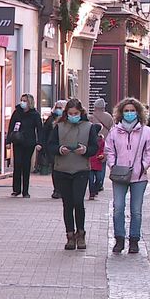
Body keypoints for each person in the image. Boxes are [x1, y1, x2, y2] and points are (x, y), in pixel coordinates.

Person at [104, 98, 150, 254]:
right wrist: (113, 165)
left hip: (139, 177)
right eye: (126, 111)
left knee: (136, 210)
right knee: (118, 208)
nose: (129, 113)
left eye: (132, 110)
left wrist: (144, 165)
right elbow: (109, 150)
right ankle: (119, 239)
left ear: (138, 112)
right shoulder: (115, 131)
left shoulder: (145, 131)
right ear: (121, 113)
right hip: (119, 175)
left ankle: (134, 240)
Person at [47, 99, 99, 250]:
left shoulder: (89, 127)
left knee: (78, 201)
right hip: (62, 169)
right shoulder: (59, 126)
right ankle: (70, 235)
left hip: (81, 169)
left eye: (76, 113)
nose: (73, 116)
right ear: (66, 114)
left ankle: (81, 234)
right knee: (67, 204)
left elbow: (94, 148)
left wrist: (85, 151)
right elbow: (50, 145)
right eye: (70, 114)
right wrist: (59, 149)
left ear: (81, 112)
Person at [6, 94, 43, 198]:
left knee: (26, 165)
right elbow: (11, 127)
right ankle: (16, 189)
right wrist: (8, 141)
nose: (22, 102)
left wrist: (39, 142)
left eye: (25, 101)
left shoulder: (35, 114)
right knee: (17, 164)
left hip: (29, 143)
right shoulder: (17, 113)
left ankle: (25, 191)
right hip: (17, 141)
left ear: (30, 102)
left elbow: (39, 129)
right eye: (22, 100)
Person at [89, 98, 114, 193]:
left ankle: (92, 182)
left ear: (95, 107)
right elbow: (112, 129)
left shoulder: (91, 117)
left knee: (93, 161)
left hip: (94, 142)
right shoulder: (108, 117)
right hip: (106, 143)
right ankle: (100, 184)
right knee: (102, 163)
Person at [44, 100, 67, 199]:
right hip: (53, 148)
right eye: (57, 107)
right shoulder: (50, 119)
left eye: (61, 107)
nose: (59, 110)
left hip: (65, 148)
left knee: (63, 170)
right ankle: (57, 190)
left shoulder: (67, 120)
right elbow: (44, 132)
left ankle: (63, 189)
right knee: (55, 169)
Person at [88, 124, 105, 200]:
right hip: (90, 162)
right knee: (91, 179)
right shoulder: (89, 140)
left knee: (99, 178)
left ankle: (94, 190)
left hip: (97, 161)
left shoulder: (101, 141)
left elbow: (102, 150)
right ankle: (92, 193)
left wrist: (102, 155)